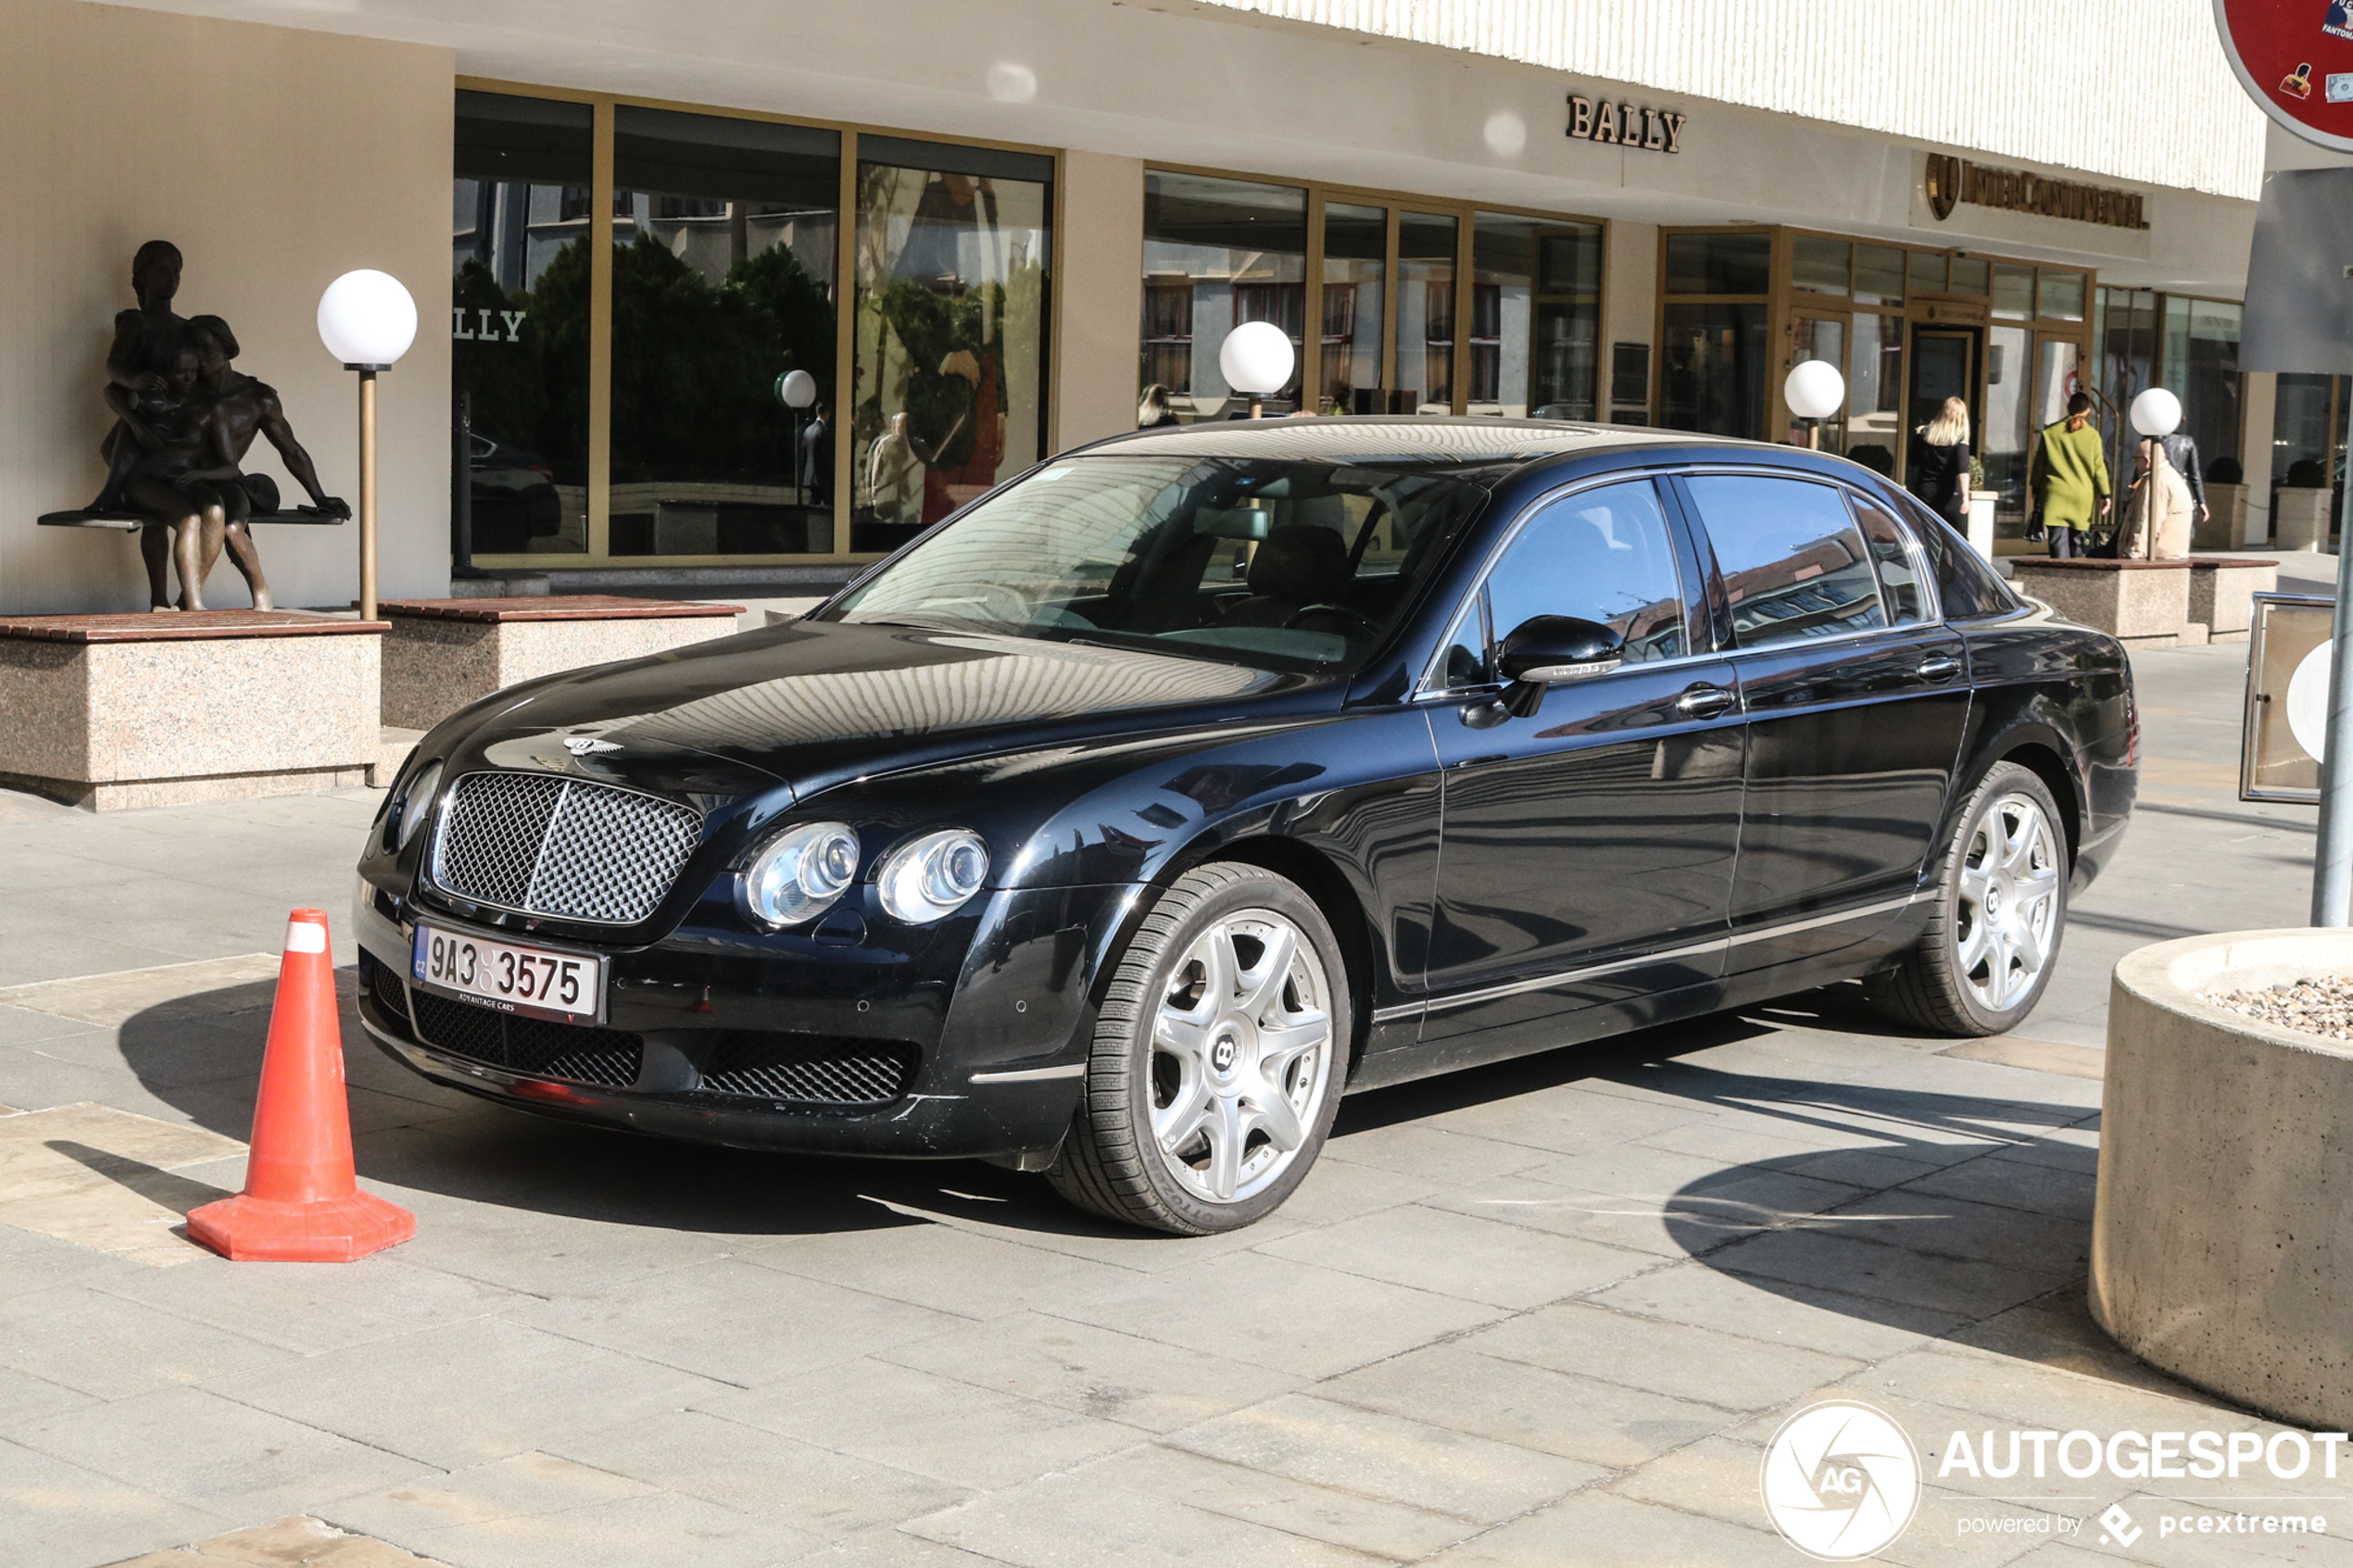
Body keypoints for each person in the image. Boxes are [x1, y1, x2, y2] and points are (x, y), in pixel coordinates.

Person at [179, 315, 347, 612]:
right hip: (184, 481)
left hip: (227, 479)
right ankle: (186, 601)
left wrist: (319, 496)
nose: (199, 358)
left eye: (206, 348)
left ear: (228, 349)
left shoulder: (259, 398)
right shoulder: (183, 393)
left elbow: (290, 450)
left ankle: (260, 590)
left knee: (232, 527)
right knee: (212, 517)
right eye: (193, 349)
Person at [2028, 392, 2110, 558]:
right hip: (2081, 496)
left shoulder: (2050, 432)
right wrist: (2105, 494)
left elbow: (2039, 465)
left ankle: (2059, 576)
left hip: (2055, 495)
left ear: (2068, 407)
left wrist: (2035, 489)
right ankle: (2076, 577)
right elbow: (2099, 468)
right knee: (2077, 542)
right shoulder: (2092, 436)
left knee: (2057, 541)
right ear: (2088, 411)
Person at [2120, 430, 2194, 559]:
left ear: (2147, 460)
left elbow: (2148, 521)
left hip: (2159, 556)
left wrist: (2136, 553)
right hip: (2170, 555)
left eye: (2136, 459)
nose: (2135, 464)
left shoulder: (2157, 481)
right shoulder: (2168, 475)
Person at [1906, 395, 1972, 528]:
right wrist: (1966, 497)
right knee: (1957, 539)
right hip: (1950, 495)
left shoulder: (1923, 434)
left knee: (1928, 535)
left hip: (1925, 491)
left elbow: (1913, 461)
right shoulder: (1960, 440)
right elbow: (1963, 470)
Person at [800, 402, 833, 508]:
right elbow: (827, 455)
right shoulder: (824, 431)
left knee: (814, 502)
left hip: (810, 475)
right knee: (830, 505)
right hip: (822, 476)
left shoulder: (808, 430)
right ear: (826, 413)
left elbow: (804, 454)